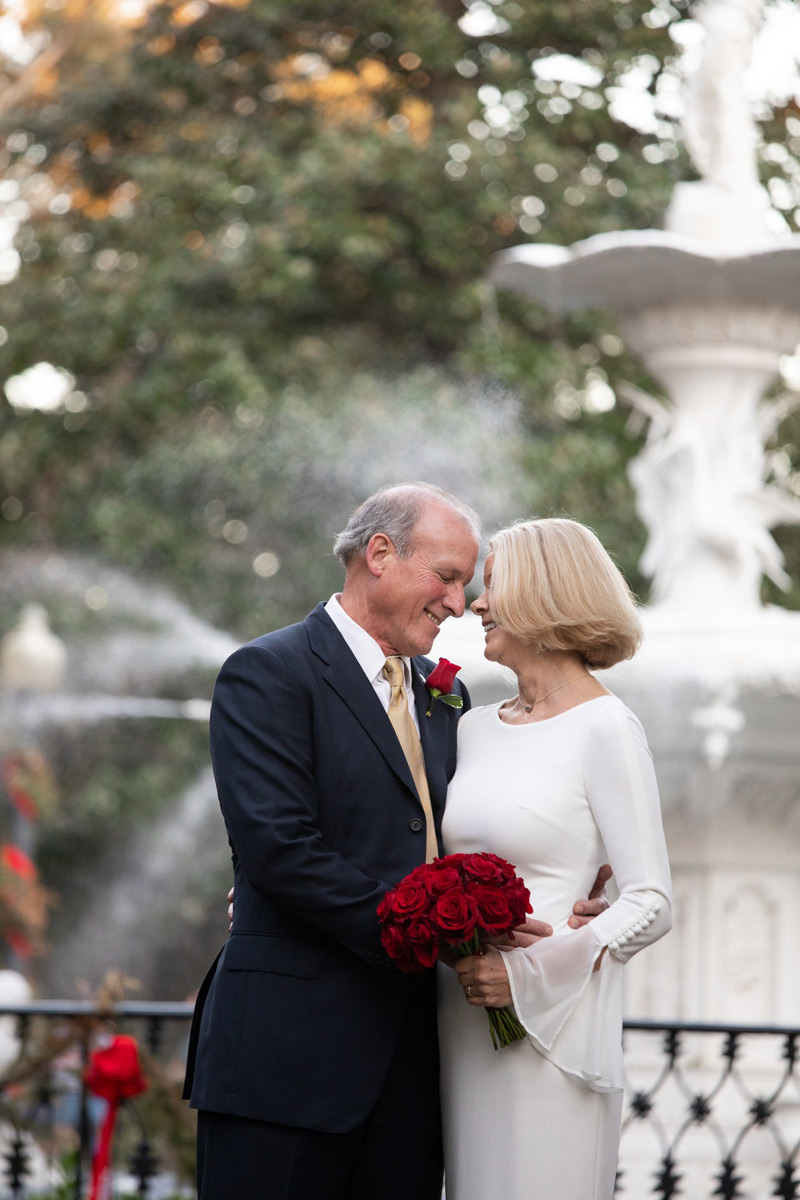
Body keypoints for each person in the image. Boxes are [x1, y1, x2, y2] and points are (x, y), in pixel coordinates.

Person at [183, 483, 610, 1200]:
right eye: (445, 577)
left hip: (417, 1067)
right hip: (286, 1061)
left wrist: (567, 906)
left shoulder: (448, 697)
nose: (456, 602)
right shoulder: (268, 673)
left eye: (466, 584)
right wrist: (430, 931)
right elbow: (280, 849)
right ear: (379, 554)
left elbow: (475, 833)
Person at [438, 517, 672, 1200]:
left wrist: (528, 974)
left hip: (550, 1029)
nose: (476, 603)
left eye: (493, 587)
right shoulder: (473, 727)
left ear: (544, 596)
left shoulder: (607, 727)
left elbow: (650, 900)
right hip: (458, 1021)